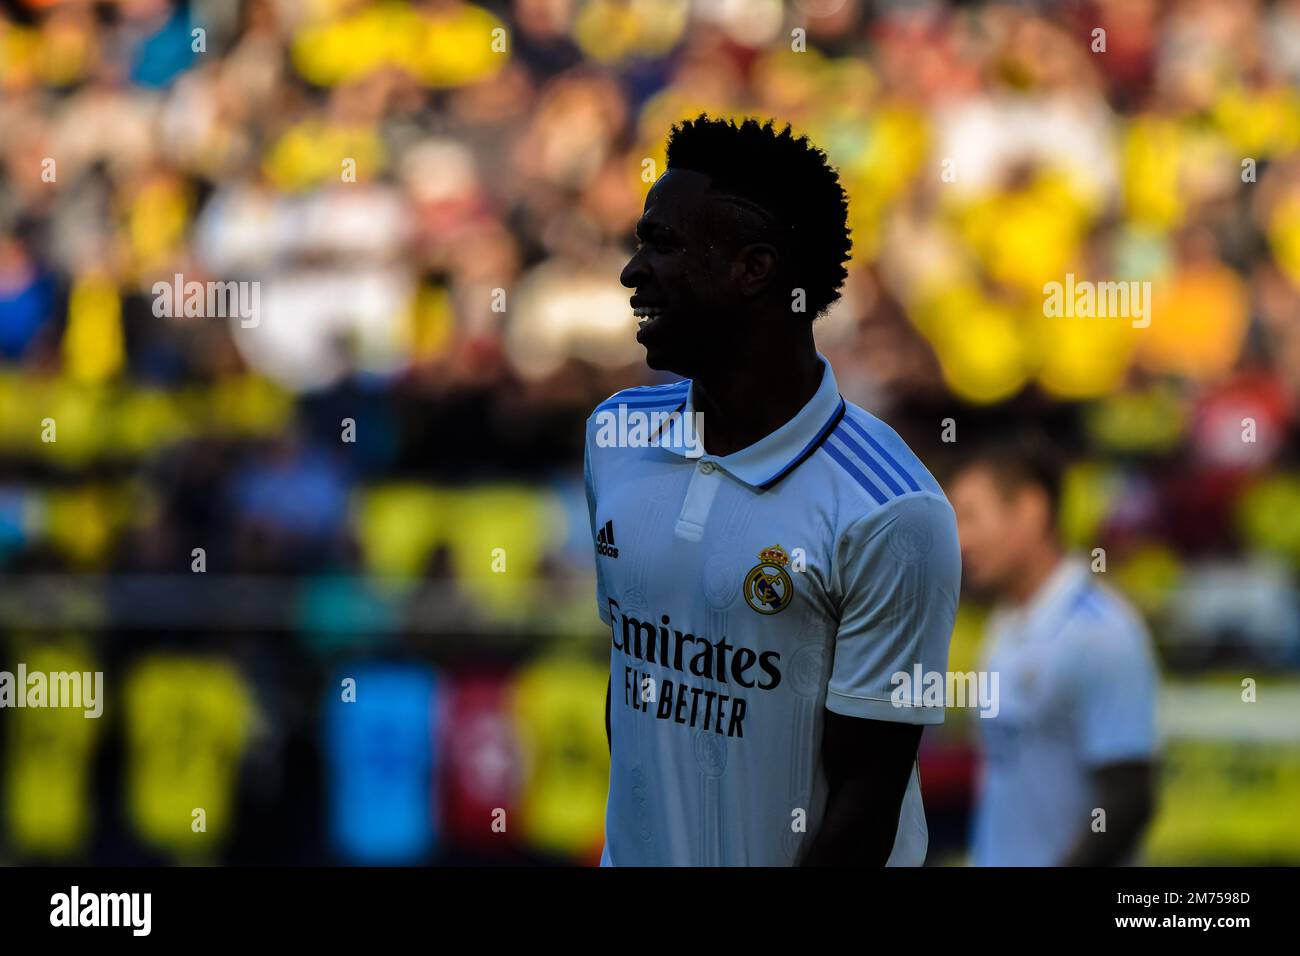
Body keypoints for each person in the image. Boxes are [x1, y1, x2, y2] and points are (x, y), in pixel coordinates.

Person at [583, 114, 961, 866]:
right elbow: (635, 686)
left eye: (662, 244)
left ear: (752, 270)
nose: (632, 272)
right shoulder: (613, 438)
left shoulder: (892, 513)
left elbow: (865, 802)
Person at [948, 436, 1159, 866]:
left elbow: (1128, 800)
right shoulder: (1006, 622)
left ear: (1030, 510)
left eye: (970, 517)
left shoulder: (1102, 632)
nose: (960, 540)